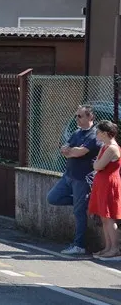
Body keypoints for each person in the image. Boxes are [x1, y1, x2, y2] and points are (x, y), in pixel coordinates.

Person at [47, 105, 100, 255]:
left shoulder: (94, 135)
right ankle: (82, 201)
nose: (77, 118)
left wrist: (70, 152)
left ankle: (79, 245)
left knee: (79, 212)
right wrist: (68, 150)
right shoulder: (77, 132)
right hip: (68, 176)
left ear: (90, 117)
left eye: (80, 116)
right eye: (76, 115)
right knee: (52, 198)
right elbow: (65, 147)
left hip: (81, 179)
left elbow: (80, 152)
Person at [88, 120, 121, 260]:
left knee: (109, 217)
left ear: (105, 133)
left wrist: (96, 164)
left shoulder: (112, 148)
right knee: (103, 217)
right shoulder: (104, 147)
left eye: (99, 132)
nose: (97, 134)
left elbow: (98, 166)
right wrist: (97, 164)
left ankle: (115, 249)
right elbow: (97, 164)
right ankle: (107, 247)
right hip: (101, 184)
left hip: (109, 184)